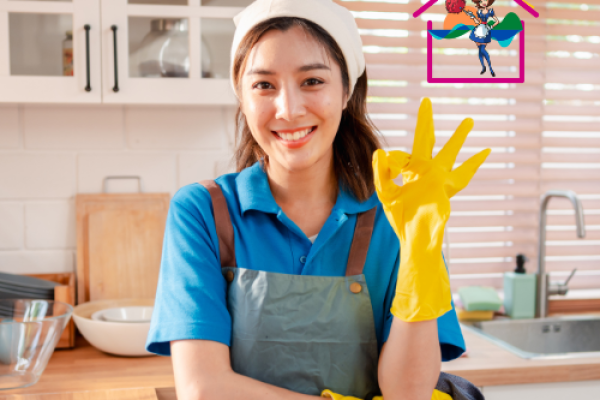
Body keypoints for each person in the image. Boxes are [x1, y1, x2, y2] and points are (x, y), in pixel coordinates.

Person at [146, 1, 488, 399]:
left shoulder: (401, 218)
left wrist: (422, 256)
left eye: (312, 81)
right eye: (264, 85)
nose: (289, 109)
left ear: (346, 91)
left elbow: (408, 393)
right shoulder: (204, 213)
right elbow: (204, 389)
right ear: (241, 95)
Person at [466, 0, 500, 76]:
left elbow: (497, 21)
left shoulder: (490, 11)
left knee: (482, 49)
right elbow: (477, 22)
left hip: (486, 30)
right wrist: (472, 16)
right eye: (481, 1)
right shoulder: (479, 12)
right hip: (479, 30)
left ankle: (490, 68)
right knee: (480, 51)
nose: (483, 2)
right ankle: (484, 67)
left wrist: (490, 26)